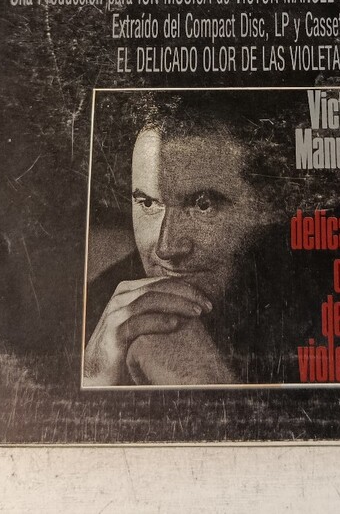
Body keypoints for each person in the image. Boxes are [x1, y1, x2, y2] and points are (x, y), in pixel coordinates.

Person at [82, 92, 320, 387]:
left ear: (265, 207)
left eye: (202, 204)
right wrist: (95, 379)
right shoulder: (100, 307)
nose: (166, 248)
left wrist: (210, 384)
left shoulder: (328, 308)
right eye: (148, 203)